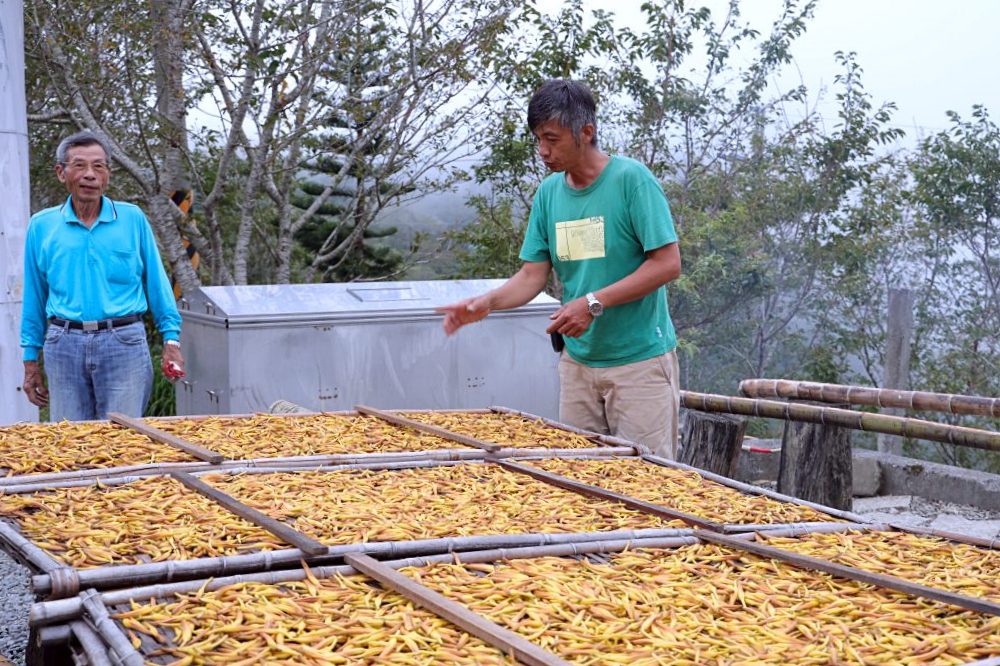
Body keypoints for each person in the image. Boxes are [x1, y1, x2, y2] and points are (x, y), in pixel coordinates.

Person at [438, 79, 682, 458]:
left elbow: (667, 264)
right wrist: (485, 303)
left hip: (639, 364)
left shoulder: (632, 181)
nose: (543, 151)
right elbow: (532, 276)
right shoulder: (550, 194)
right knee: (576, 478)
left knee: (647, 481)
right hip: (578, 365)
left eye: (552, 139)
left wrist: (593, 303)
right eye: (538, 139)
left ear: (586, 132)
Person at [20, 130, 185, 421]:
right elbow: (34, 295)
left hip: (123, 342)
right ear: (61, 173)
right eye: (80, 165)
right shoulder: (41, 226)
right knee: (70, 441)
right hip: (63, 344)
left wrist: (171, 340)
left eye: (99, 166)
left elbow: (157, 283)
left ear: (108, 174)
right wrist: (30, 360)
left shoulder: (132, 219)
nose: (90, 175)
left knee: (124, 438)